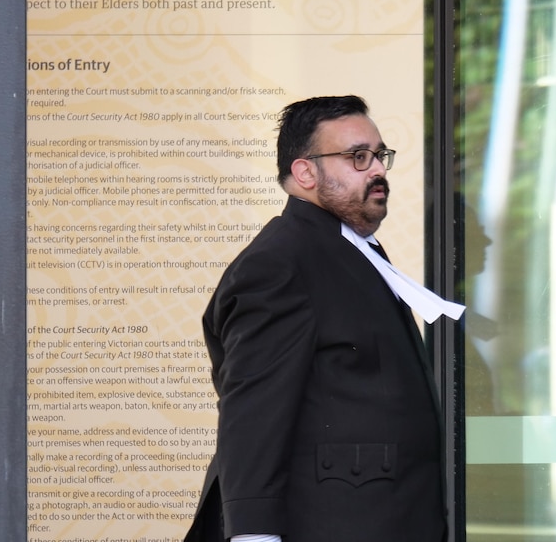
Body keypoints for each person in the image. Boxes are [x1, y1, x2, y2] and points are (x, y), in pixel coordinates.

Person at [184, 95, 464, 542]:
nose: (378, 170)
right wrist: (254, 536)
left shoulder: (342, 249)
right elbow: (253, 414)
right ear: (305, 172)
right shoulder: (280, 262)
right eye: (357, 157)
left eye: (379, 155)